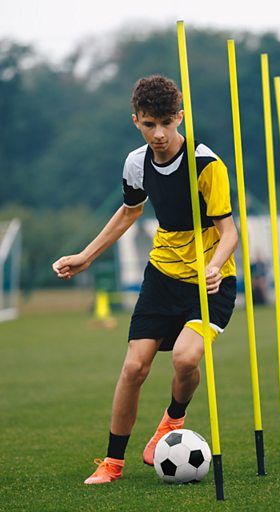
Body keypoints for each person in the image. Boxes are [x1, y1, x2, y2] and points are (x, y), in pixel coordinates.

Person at [52, 75, 238, 484]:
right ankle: (112, 463)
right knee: (135, 367)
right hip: (162, 277)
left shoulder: (207, 164)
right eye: (149, 123)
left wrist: (214, 265)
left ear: (180, 118)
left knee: (187, 357)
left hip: (211, 279)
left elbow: (230, 232)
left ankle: (173, 419)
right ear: (136, 120)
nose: (158, 133)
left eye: (166, 123)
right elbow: (129, 211)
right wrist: (85, 256)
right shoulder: (136, 163)